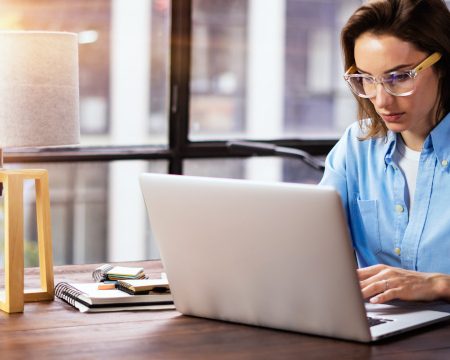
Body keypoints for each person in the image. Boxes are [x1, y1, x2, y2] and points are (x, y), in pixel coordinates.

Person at [319, 0, 450, 304]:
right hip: (380, 332)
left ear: (443, 66)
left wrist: (440, 284)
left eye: (400, 77)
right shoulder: (356, 147)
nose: (381, 100)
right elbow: (311, 249)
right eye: (366, 78)